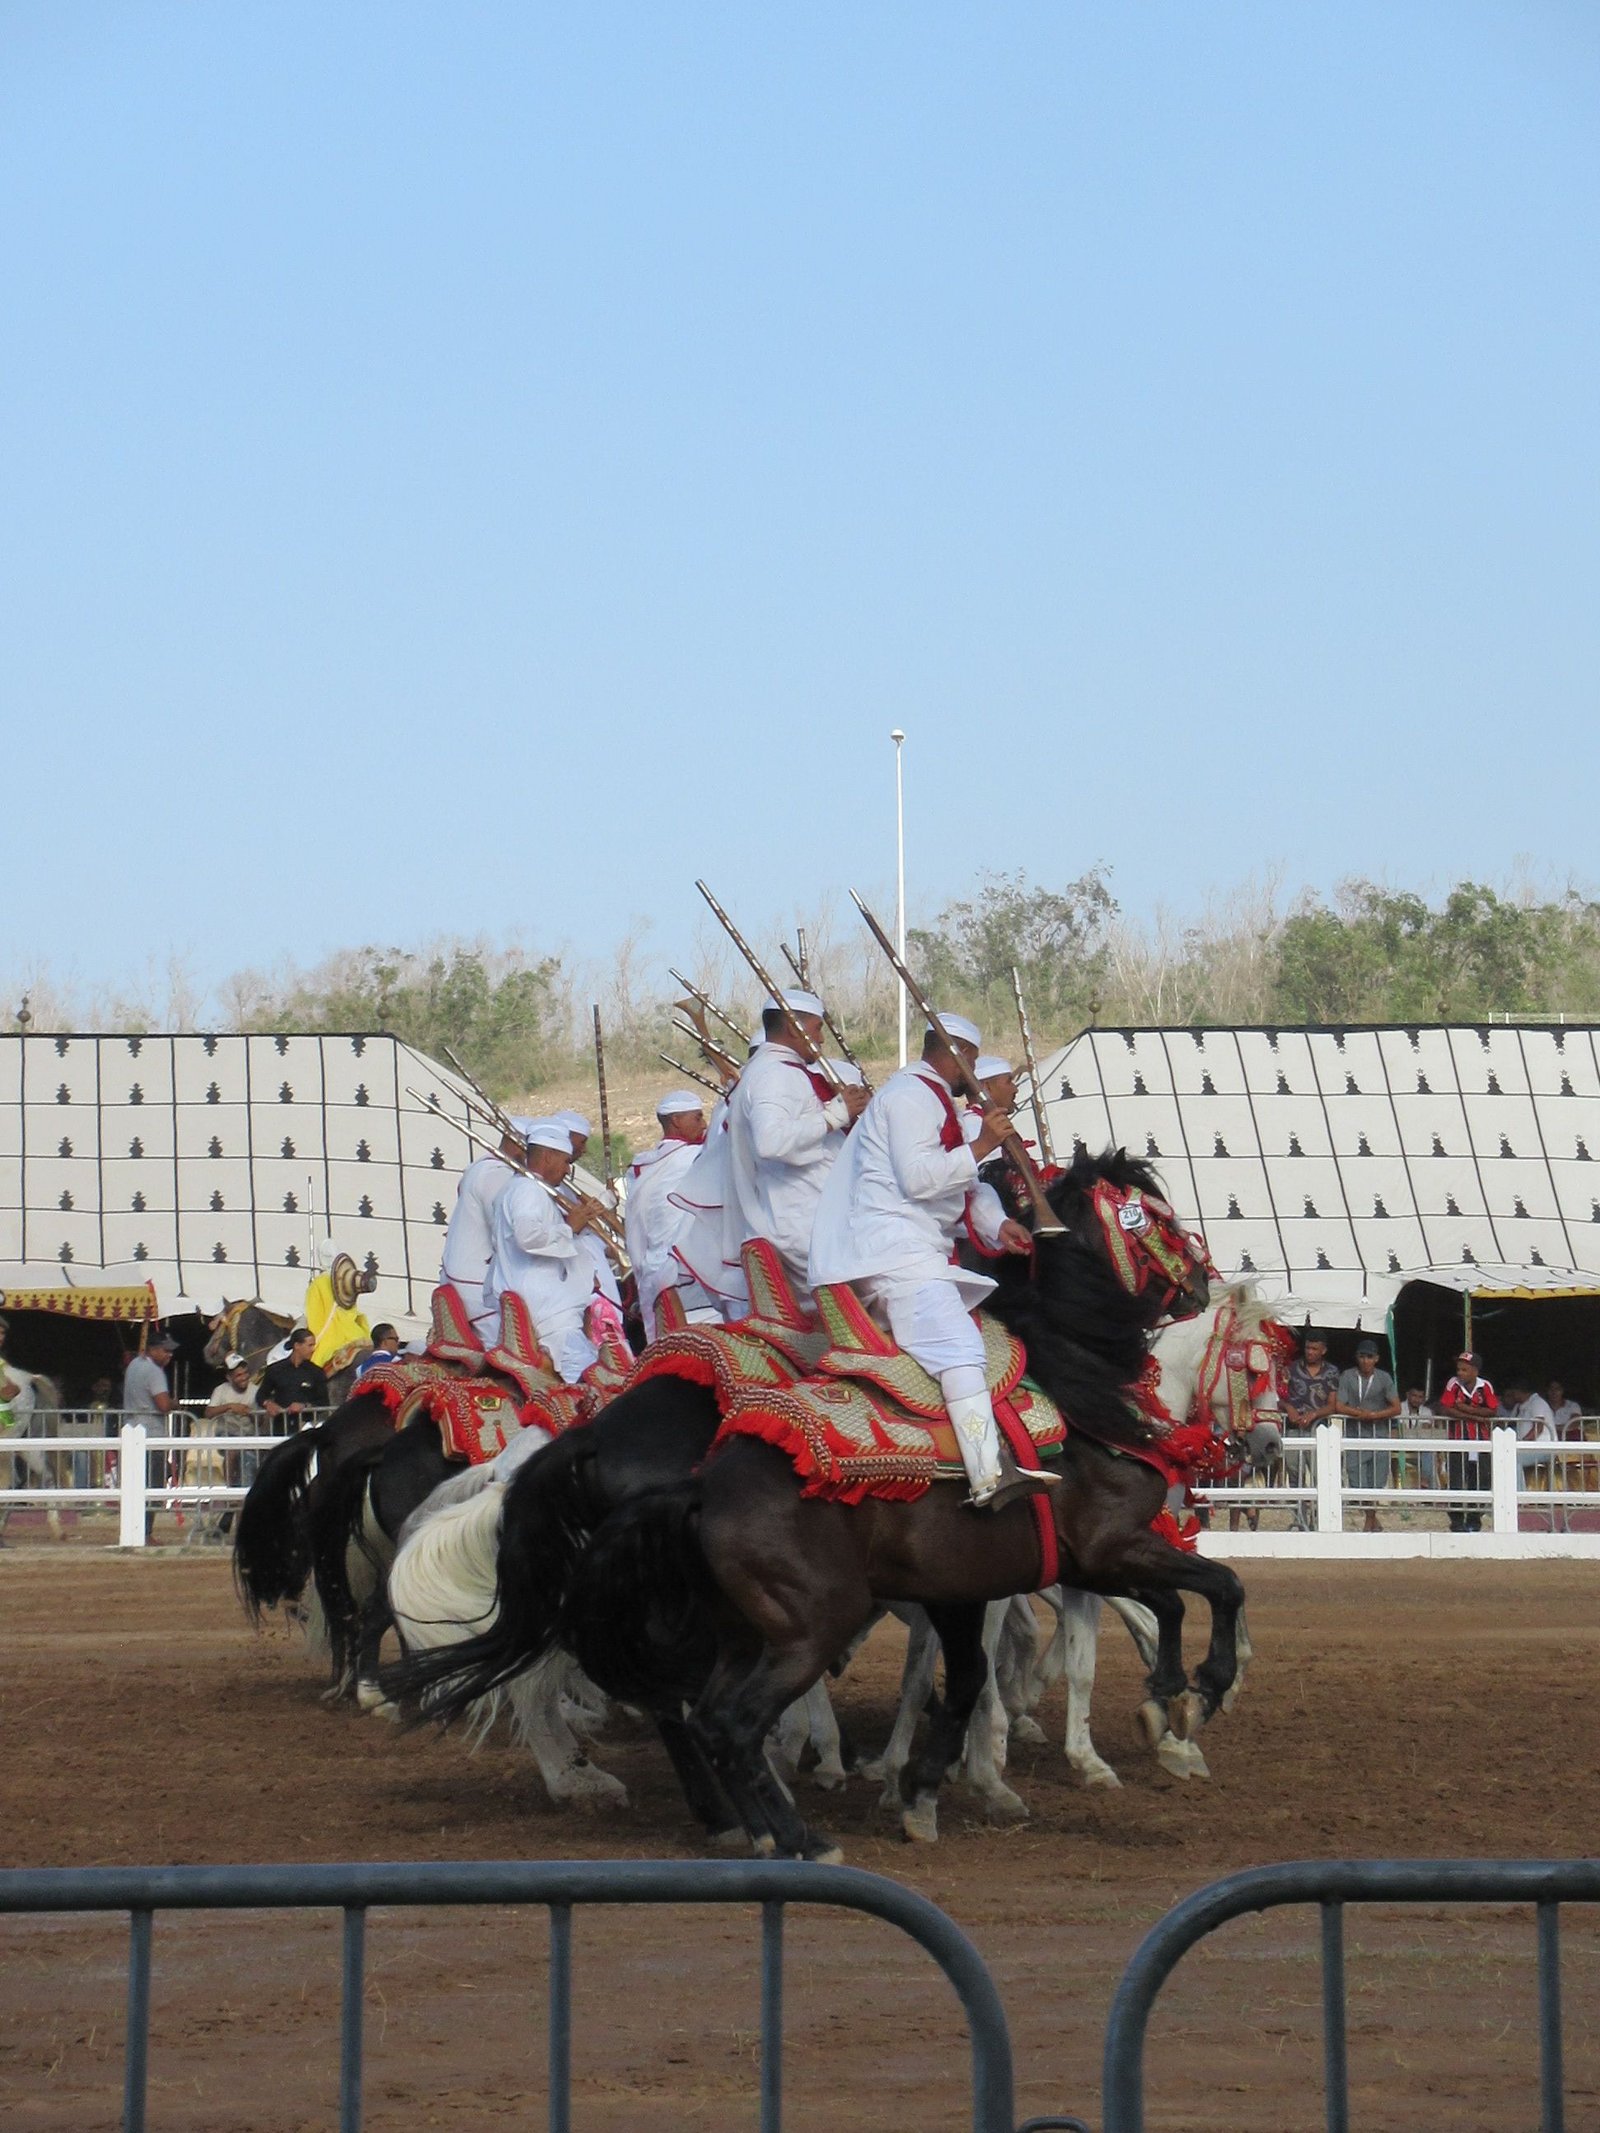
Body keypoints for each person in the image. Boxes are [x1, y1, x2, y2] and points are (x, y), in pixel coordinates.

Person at [810, 1012, 1050, 1510]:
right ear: (957, 1053)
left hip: (907, 1248)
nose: (976, 1074)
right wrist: (983, 1144)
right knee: (960, 1348)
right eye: (974, 1061)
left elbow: (951, 1188)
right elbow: (921, 1179)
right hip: (895, 1252)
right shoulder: (911, 1097)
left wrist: (995, 1225)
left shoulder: (926, 1097)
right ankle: (988, 1473)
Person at [724, 989, 870, 1304]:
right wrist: (836, 1113)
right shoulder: (774, 1073)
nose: (821, 1040)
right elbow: (772, 1142)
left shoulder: (773, 1069)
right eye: (817, 1028)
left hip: (809, 1222)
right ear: (794, 1027)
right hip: (807, 1228)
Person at [483, 1118, 606, 1384]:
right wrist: (570, 1227)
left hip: (544, 1300)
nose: (567, 1171)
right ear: (548, 1157)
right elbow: (528, 1237)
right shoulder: (528, 1189)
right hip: (549, 1313)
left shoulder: (524, 1188)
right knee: (590, 1380)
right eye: (565, 1162)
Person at [623, 1092, 709, 1340]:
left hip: (652, 1269)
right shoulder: (695, 1157)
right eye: (698, 1117)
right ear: (677, 1120)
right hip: (688, 1273)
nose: (703, 1124)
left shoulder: (641, 1165)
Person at [439, 1119, 531, 1341]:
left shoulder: (479, 1166)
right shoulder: (497, 1174)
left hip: (460, 1275)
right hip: (477, 1285)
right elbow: (507, 1233)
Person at [1334, 1338, 1401, 1534]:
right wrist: (1358, 1414)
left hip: (1379, 1435)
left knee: (1376, 1481)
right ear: (1357, 1357)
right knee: (1356, 1480)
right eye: (1362, 1356)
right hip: (1355, 1435)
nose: (1365, 1361)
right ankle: (1373, 1520)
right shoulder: (1347, 1376)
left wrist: (1374, 1415)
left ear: (1377, 1359)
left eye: (1369, 1357)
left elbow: (1396, 1407)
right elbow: (1339, 1405)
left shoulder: (1384, 1378)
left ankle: (1369, 1521)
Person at [1282, 1333, 1340, 1531]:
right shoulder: (1291, 1369)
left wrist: (1314, 1414)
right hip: (1293, 1428)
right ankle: (1299, 1518)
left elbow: (1332, 1405)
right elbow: (1279, 1395)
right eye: (1308, 1348)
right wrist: (1288, 1409)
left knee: (1318, 1475)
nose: (1310, 1352)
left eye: (1315, 1349)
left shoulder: (1331, 1372)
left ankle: (1319, 1519)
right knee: (1294, 1473)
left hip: (1318, 1430)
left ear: (1323, 1350)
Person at [123, 1329, 178, 1540]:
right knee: (153, 1485)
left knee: (136, 1485)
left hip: (132, 1430)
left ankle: (135, 1529)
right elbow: (163, 1405)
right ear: (153, 1350)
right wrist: (174, 1402)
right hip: (151, 1435)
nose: (169, 1355)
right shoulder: (155, 1372)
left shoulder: (134, 1365)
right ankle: (145, 1532)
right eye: (166, 1351)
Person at [1439, 1350, 1499, 1533]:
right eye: (1459, 1369)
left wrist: (1464, 1409)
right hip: (1458, 1440)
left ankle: (1474, 1520)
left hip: (1481, 1441)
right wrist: (1475, 1415)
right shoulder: (1453, 1384)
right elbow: (1446, 1408)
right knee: (1456, 1481)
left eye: (1464, 1370)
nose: (1460, 1373)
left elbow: (1493, 1410)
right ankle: (1456, 1521)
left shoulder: (1485, 1386)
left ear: (1475, 1371)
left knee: (1480, 1481)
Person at [203, 1352, 259, 1528]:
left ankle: (234, 1507)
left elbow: (262, 1421)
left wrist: (251, 1414)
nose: (243, 1378)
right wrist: (229, 1407)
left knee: (248, 1474)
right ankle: (231, 1489)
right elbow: (208, 1412)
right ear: (229, 1377)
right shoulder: (221, 1391)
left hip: (249, 1436)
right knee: (232, 1450)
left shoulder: (255, 1391)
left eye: (245, 1373)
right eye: (238, 1375)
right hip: (227, 1434)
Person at [1504, 1374, 1560, 1526]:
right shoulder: (1518, 1407)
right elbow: (1509, 1425)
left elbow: (1538, 1428)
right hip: (1528, 1448)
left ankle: (1521, 1498)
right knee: (1504, 1457)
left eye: (1514, 1392)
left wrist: (1520, 1443)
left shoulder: (1537, 1403)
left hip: (1544, 1447)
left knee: (1513, 1459)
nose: (1512, 1395)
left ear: (1520, 1391)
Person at [258, 1329, 331, 1431]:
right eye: (310, 1345)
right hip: (281, 1426)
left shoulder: (316, 1372)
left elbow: (324, 1402)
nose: (313, 1349)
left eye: (313, 1345)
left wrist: (304, 1406)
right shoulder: (275, 1369)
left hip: (306, 1428)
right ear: (297, 1346)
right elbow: (261, 1395)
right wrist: (268, 1403)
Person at [1398, 1385, 1437, 1491]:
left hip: (1419, 1445)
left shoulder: (1426, 1411)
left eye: (1420, 1397)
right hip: (1400, 1444)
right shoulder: (1399, 1408)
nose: (1417, 1400)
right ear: (1407, 1395)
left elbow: (1426, 1429)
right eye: (1414, 1396)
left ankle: (1426, 1483)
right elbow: (1400, 1428)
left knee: (1429, 1451)